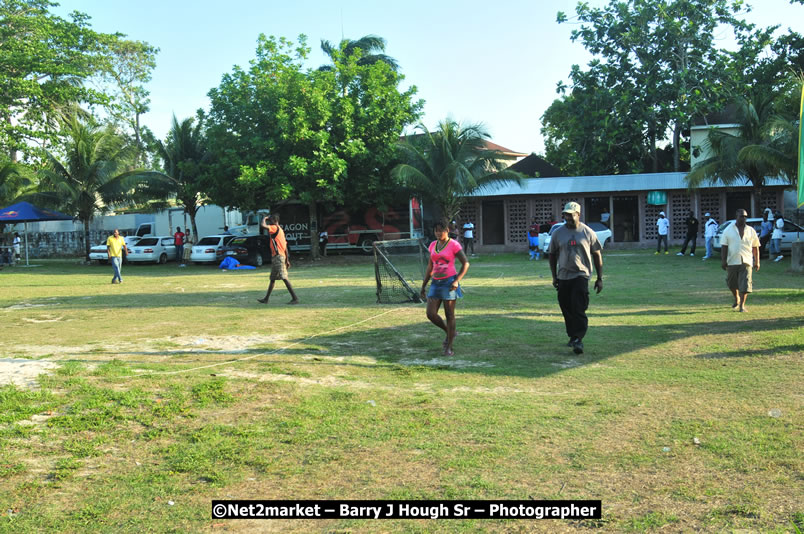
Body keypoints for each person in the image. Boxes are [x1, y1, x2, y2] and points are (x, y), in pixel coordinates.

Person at [549, 202, 603, 355]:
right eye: (566, 215)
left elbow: (597, 255)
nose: (569, 218)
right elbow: (552, 255)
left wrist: (600, 278)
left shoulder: (587, 232)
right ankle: (573, 335)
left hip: (581, 274)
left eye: (572, 215)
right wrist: (554, 276)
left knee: (578, 307)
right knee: (566, 307)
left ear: (578, 215)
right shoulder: (558, 233)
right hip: (563, 276)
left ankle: (578, 339)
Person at [420, 218, 469, 356]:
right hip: (435, 282)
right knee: (430, 314)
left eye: (441, 230)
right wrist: (423, 286)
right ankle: (449, 331)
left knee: (449, 314)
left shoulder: (454, 245)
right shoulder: (432, 245)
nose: (438, 233)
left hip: (449, 283)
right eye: (436, 230)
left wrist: (456, 281)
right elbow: (430, 266)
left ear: (447, 230)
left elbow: (465, 263)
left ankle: (449, 347)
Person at [720, 209, 759, 312]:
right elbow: (724, 246)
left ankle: (742, 305)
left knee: (745, 285)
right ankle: (736, 297)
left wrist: (757, 261)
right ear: (736, 216)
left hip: (746, 261)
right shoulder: (728, 230)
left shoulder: (751, 230)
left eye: (745, 216)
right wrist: (723, 261)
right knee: (731, 283)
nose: (744, 218)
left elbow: (755, 247)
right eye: (742, 216)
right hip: (732, 260)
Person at [258, 214, 299, 304]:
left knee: (284, 277)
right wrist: (287, 260)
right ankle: (266, 299)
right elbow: (285, 247)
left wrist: (264, 218)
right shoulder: (281, 230)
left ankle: (295, 298)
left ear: (273, 220)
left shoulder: (274, 228)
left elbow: (263, 226)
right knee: (272, 278)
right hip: (279, 256)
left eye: (270, 220)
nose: (269, 222)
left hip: (278, 257)